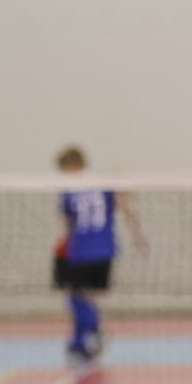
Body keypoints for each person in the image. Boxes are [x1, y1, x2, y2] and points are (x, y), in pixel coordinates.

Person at [52, 145, 145, 363]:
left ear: (72, 165)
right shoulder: (105, 182)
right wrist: (137, 233)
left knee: (77, 297)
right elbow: (126, 206)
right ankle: (82, 342)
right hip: (106, 249)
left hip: (81, 250)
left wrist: (64, 243)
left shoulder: (69, 189)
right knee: (86, 297)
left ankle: (91, 332)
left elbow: (68, 222)